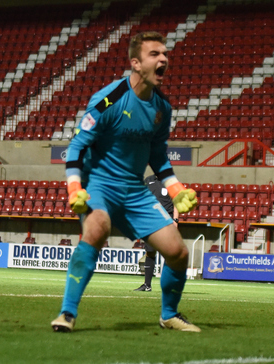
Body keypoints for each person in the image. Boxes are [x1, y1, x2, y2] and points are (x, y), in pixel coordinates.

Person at [51, 31, 200, 333]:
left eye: (165, 54)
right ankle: (67, 313)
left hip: (135, 189)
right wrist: (74, 187)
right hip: (100, 185)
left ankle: (169, 314)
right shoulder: (109, 99)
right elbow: (77, 147)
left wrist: (175, 188)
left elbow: (157, 155)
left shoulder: (162, 108)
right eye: (154, 54)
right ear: (136, 63)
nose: (163, 59)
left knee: (178, 252)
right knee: (96, 229)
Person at [134, 174, 179, 292]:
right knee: (150, 252)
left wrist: (175, 220)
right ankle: (147, 285)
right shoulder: (148, 180)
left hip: (166, 220)